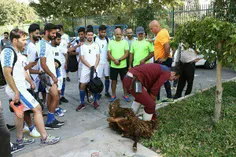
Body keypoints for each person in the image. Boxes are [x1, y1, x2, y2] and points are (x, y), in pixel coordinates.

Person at [1, 28, 60, 147]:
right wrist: (16, 91)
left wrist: (30, 81)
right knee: (37, 109)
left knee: (20, 113)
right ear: (14, 40)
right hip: (17, 88)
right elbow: (7, 73)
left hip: (19, 88)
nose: (25, 42)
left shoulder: (16, 53)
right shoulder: (8, 52)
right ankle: (44, 138)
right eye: (23, 40)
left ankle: (19, 139)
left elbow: (21, 70)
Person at [37, 23, 64, 129]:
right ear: (46, 32)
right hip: (47, 76)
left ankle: (51, 119)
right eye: (52, 33)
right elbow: (43, 64)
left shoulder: (47, 44)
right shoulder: (43, 45)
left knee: (51, 96)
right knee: (56, 96)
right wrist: (53, 76)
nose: (54, 35)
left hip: (50, 74)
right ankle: (49, 121)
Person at [76, 28, 100, 111]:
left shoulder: (96, 45)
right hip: (85, 69)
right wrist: (90, 66)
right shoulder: (82, 46)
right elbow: (82, 58)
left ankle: (95, 101)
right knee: (82, 85)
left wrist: (95, 66)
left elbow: (98, 57)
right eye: (88, 35)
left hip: (95, 68)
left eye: (91, 35)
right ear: (86, 35)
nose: (90, 36)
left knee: (95, 85)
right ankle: (82, 103)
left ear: (93, 35)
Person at [149, 20, 173, 102]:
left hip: (162, 60)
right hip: (161, 60)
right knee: (164, 79)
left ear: (156, 27)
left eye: (151, 29)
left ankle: (158, 99)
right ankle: (168, 97)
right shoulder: (162, 33)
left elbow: (167, 46)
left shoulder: (162, 33)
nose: (151, 30)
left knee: (158, 80)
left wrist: (165, 58)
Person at [108, 27, 130, 102]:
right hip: (113, 65)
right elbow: (109, 53)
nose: (118, 35)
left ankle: (125, 95)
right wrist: (114, 60)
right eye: (117, 34)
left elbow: (127, 53)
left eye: (120, 34)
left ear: (122, 34)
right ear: (114, 34)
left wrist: (119, 60)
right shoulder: (110, 42)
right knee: (113, 81)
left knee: (124, 81)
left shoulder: (125, 42)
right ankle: (113, 95)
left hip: (123, 66)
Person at [51, 32, 67, 117]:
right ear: (53, 39)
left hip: (59, 73)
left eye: (60, 39)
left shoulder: (58, 47)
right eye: (58, 39)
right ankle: (54, 110)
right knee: (55, 94)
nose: (60, 41)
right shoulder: (50, 49)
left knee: (59, 92)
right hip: (53, 75)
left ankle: (57, 107)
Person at [95, 25, 111, 98]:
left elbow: (110, 50)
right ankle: (98, 92)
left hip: (106, 62)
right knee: (98, 78)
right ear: (98, 32)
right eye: (102, 32)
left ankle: (107, 92)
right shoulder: (95, 39)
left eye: (104, 32)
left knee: (107, 77)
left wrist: (110, 56)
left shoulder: (108, 40)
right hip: (98, 62)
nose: (103, 33)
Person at [57, 25, 69, 103]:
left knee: (63, 80)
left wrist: (66, 63)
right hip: (55, 66)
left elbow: (66, 53)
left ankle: (62, 96)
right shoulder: (52, 42)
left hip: (62, 64)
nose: (58, 32)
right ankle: (57, 97)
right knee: (57, 81)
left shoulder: (64, 41)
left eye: (59, 30)